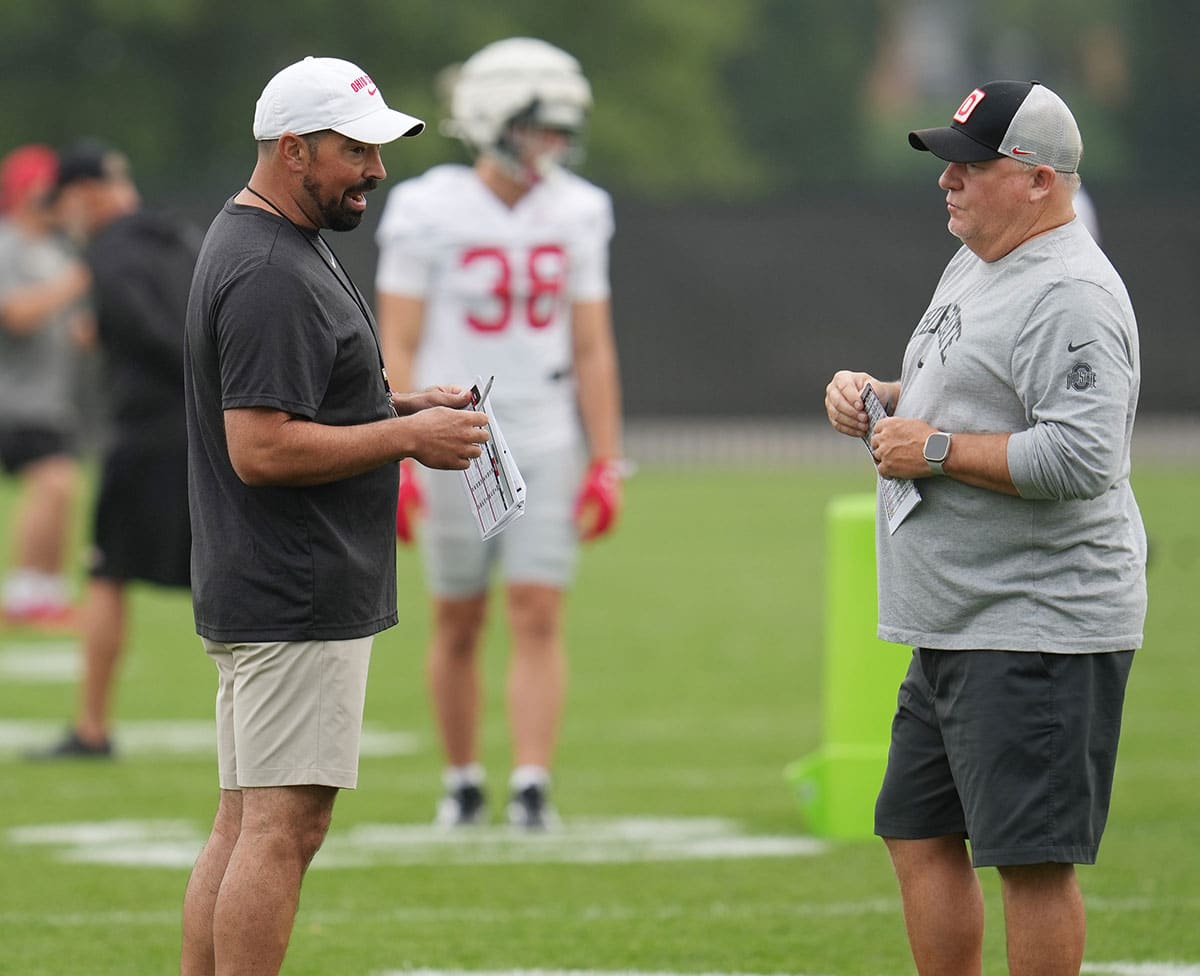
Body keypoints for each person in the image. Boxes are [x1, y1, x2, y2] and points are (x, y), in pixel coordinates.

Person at [824, 80, 1145, 976]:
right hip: (958, 618)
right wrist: (880, 400)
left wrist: (930, 447)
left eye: (971, 165)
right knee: (916, 833)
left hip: (1034, 621)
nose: (948, 182)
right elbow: (963, 395)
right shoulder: (981, 256)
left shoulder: (1071, 293)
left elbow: (1082, 460)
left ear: (1040, 180)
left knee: (1030, 865)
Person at [180, 56, 490, 976]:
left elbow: (297, 401)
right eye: (355, 149)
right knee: (282, 829)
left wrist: (399, 406)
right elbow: (264, 446)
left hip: (265, 579)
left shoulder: (267, 241)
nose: (375, 171)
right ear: (292, 148)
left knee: (245, 821)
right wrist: (408, 440)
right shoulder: (271, 268)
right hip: (293, 585)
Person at [374, 37, 624, 830]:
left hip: (547, 431)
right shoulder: (427, 205)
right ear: (491, 122)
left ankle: (530, 783)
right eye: (537, 126)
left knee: (538, 609)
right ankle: (461, 779)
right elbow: (398, 342)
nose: (552, 144)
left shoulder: (580, 207)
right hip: (451, 428)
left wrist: (609, 459)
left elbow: (591, 344)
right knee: (457, 614)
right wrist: (398, 448)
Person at [27, 140, 197, 758]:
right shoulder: (181, 237)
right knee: (225, 574)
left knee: (105, 572)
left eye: (64, 205)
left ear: (85, 194)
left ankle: (92, 727)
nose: (65, 219)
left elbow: (153, 332)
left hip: (148, 433)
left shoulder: (110, 252)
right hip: (214, 428)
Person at [0, 144, 92, 626]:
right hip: (15, 399)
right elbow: (16, 315)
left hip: (52, 399)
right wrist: (77, 281)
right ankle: (21, 593)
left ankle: (47, 593)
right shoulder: (7, 245)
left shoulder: (57, 251)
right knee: (54, 482)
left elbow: (75, 327)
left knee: (64, 487)